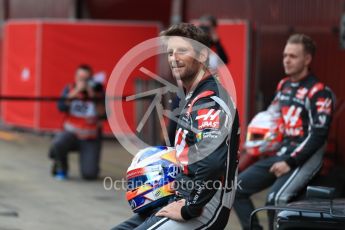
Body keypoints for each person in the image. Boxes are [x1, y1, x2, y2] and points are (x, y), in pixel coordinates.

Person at [112, 23, 240, 229]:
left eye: (182, 50)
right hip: (179, 197)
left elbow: (213, 163)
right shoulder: (193, 95)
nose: (173, 58)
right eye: (170, 52)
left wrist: (190, 208)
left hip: (204, 208)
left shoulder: (210, 99)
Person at [233, 34, 334, 230]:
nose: (286, 60)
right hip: (282, 152)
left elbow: (318, 135)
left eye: (293, 56)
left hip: (306, 156)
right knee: (235, 188)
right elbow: (271, 117)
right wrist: (256, 142)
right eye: (285, 55)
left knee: (276, 198)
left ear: (307, 59)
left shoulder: (319, 92)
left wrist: (289, 162)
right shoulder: (283, 85)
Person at [48, 64, 105, 180]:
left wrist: (93, 96)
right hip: (71, 134)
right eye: (80, 78)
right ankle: (61, 166)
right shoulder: (69, 89)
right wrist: (75, 92)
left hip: (90, 138)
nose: (83, 82)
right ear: (75, 77)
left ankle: (90, 160)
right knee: (58, 142)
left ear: (91, 79)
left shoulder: (98, 91)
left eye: (86, 79)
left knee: (90, 175)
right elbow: (61, 107)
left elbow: (104, 115)